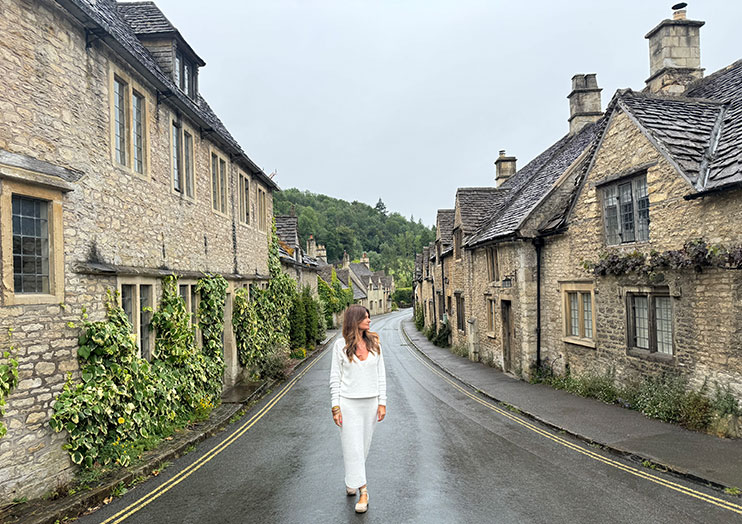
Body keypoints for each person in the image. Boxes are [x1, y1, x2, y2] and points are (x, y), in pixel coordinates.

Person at [329, 304, 387, 514]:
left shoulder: (375, 343)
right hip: (348, 404)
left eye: (369, 317)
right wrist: (336, 407)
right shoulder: (340, 346)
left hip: (370, 404)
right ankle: (363, 491)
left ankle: (352, 479)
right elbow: (335, 378)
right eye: (365, 317)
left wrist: (382, 402)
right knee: (352, 447)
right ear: (355, 320)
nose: (369, 320)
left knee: (362, 447)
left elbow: (381, 374)